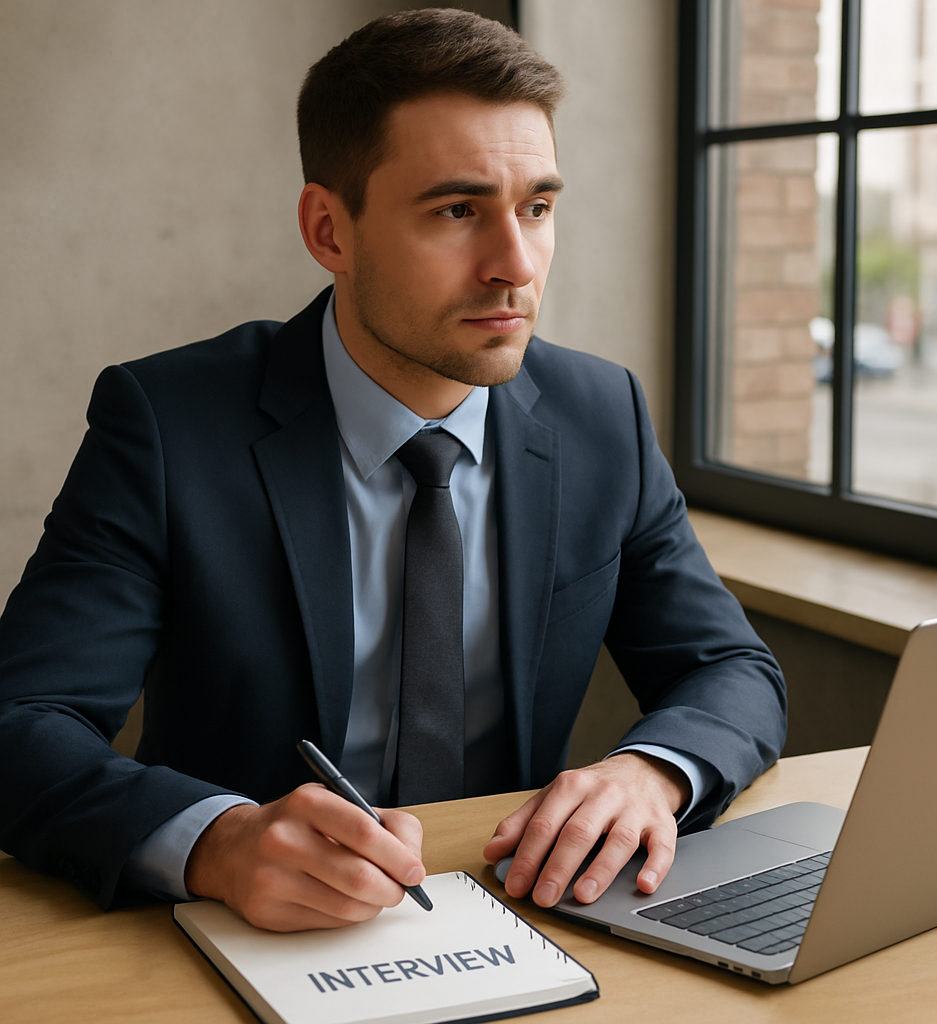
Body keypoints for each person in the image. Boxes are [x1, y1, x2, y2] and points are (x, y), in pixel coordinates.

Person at [0, 8, 785, 932]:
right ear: (330, 230)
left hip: (526, 914)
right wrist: (215, 843)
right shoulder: (169, 423)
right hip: (246, 936)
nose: (516, 265)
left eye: (537, 207)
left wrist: (651, 772)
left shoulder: (600, 414)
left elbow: (730, 668)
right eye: (458, 211)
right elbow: (23, 722)